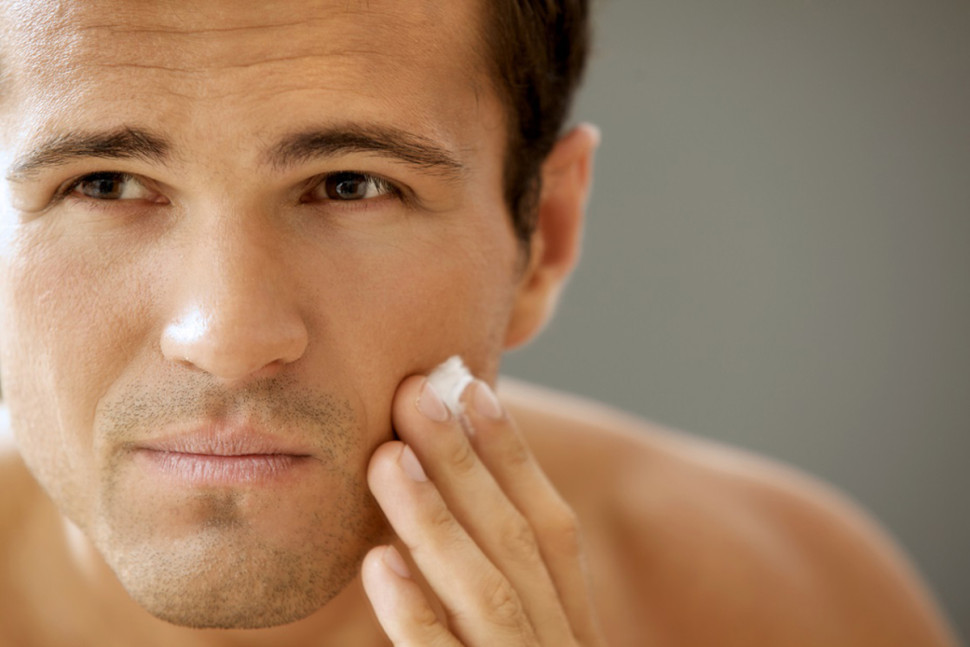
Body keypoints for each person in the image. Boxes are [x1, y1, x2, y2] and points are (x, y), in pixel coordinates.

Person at [0, 0, 959, 645]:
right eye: (104, 185)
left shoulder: (787, 602)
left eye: (351, 184)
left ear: (543, 236)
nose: (228, 335)